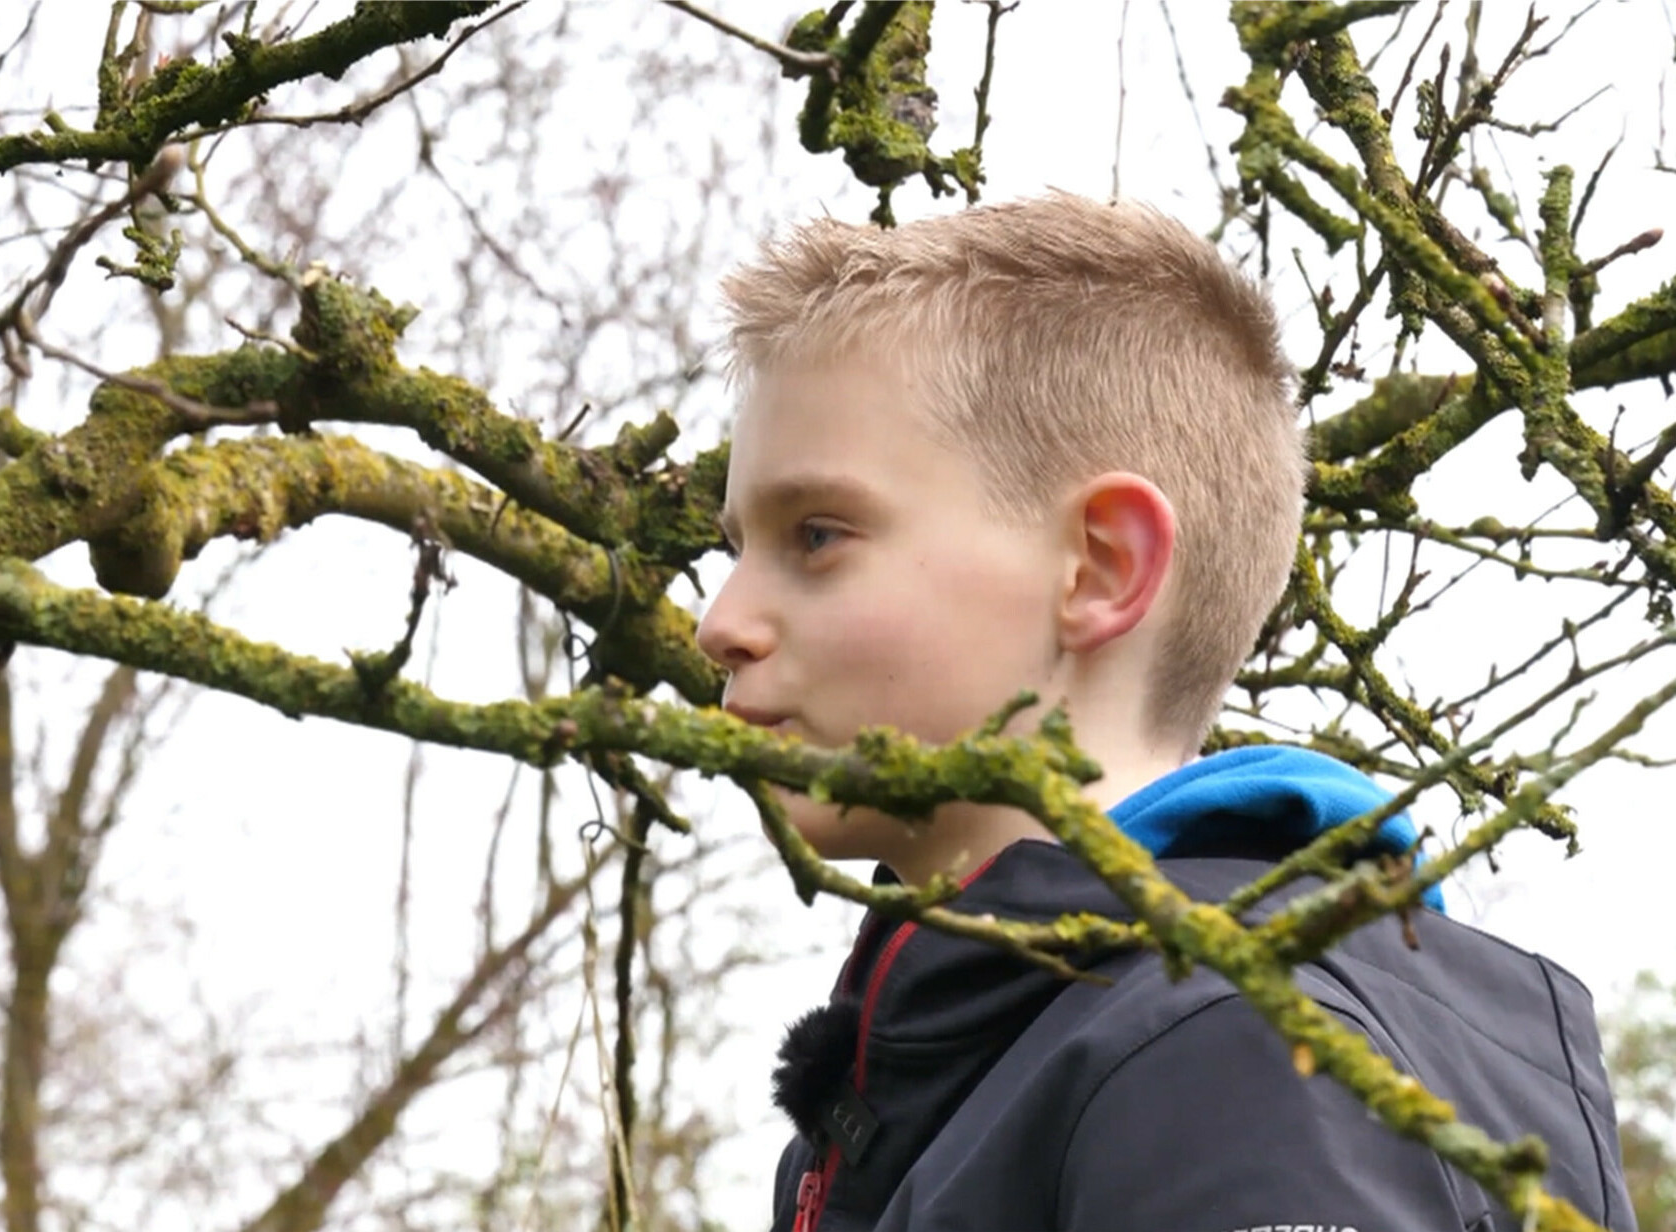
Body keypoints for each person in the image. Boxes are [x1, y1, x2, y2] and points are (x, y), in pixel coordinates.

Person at [698, 194, 1636, 1232]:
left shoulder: (1234, 1058)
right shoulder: (935, 1075)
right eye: (733, 545)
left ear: (1100, 567)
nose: (720, 622)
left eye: (818, 534)